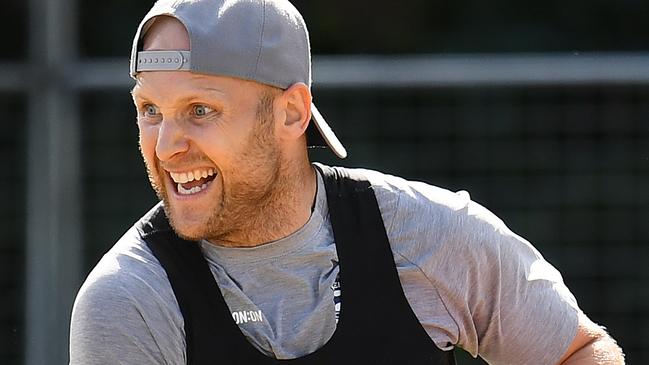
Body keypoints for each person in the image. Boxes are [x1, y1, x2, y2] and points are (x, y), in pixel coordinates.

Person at [69, 0, 625, 364]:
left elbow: (577, 352)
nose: (166, 146)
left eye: (201, 110)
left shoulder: (426, 234)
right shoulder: (130, 301)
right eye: (149, 110)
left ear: (292, 113)